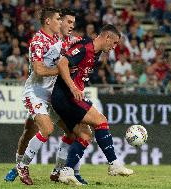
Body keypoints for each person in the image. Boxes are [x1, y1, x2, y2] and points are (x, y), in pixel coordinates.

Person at [4, 8, 91, 185]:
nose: (61, 22)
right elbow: (39, 69)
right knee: (41, 129)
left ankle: (58, 171)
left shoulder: (59, 39)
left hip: (52, 96)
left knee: (71, 132)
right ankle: (21, 166)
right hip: (35, 92)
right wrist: (61, 70)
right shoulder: (38, 41)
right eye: (59, 19)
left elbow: (77, 45)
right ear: (48, 22)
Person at [51, 24, 134, 186]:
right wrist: (73, 87)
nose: (114, 47)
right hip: (66, 97)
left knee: (85, 136)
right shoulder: (85, 47)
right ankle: (114, 164)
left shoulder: (96, 53)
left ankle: (66, 172)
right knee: (101, 121)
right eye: (114, 43)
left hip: (66, 98)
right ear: (107, 37)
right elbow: (62, 64)